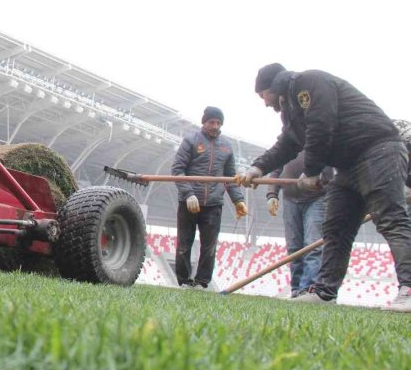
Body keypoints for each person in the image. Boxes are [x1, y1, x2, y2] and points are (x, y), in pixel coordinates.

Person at [237, 63, 411, 312]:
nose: (264, 102)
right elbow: (287, 143)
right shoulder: (291, 109)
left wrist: (312, 171)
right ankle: (325, 292)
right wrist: (258, 168)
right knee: (336, 228)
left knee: (391, 219)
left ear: (273, 86)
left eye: (262, 95)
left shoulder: (309, 83)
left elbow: (321, 125)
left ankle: (409, 288)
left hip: (377, 151)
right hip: (348, 165)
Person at [171, 106, 248, 289]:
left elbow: (230, 177)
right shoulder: (190, 141)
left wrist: (239, 200)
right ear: (204, 122)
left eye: (218, 122)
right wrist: (188, 194)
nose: (215, 126)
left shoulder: (226, 146)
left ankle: (202, 283)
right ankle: (183, 282)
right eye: (211, 122)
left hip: (213, 204)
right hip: (189, 203)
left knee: (209, 247)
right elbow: (177, 170)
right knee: (184, 245)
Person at [266, 152, 333, 297]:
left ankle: (308, 289)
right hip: (290, 198)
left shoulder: (323, 136)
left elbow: (331, 169)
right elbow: (276, 169)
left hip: (317, 197)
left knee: (313, 245)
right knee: (294, 247)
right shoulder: (290, 140)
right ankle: (296, 290)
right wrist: (272, 194)